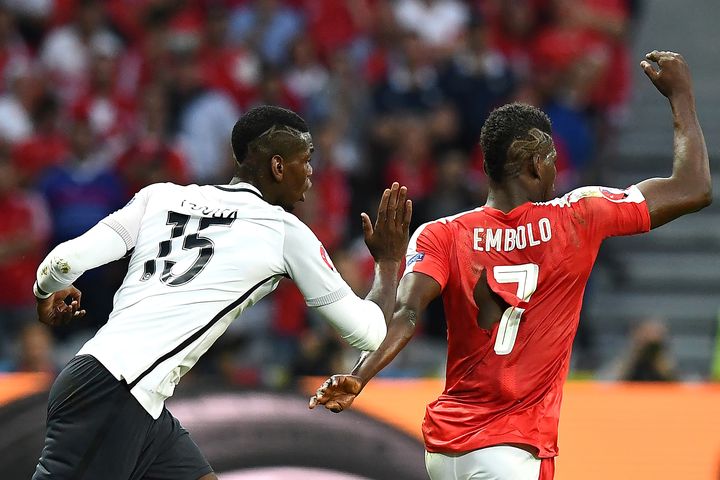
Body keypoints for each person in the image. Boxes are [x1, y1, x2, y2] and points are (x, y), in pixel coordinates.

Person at [310, 50, 711, 480]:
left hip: (448, 450)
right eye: (553, 159)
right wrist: (682, 96)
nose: (558, 168)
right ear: (534, 164)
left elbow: (405, 315)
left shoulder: (441, 234)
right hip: (513, 446)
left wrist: (359, 375)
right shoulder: (579, 216)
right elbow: (693, 188)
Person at [31, 105, 412, 480]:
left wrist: (44, 290)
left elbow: (64, 261)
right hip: (116, 395)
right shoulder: (284, 232)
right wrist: (389, 262)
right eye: (307, 159)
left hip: (124, 391)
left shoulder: (160, 197)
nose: (312, 172)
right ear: (278, 167)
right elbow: (367, 333)